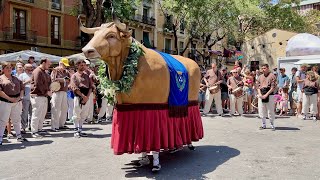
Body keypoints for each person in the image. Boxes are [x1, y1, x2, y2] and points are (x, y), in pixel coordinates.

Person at [0, 62, 27, 145]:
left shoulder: (16, 78)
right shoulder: (1, 78)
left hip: (17, 101)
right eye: (7, 67)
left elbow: (22, 88)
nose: (9, 69)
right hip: (5, 101)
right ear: (3, 69)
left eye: (10, 67)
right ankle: (0, 137)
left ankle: (19, 136)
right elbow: (0, 91)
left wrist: (20, 97)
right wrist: (10, 99)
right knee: (3, 120)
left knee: (16, 119)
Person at [70, 59, 93, 138]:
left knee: (84, 114)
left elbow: (91, 87)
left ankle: (80, 129)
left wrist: (87, 97)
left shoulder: (87, 76)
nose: (83, 67)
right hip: (78, 96)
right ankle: (76, 130)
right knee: (77, 113)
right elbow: (74, 87)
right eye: (81, 65)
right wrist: (83, 96)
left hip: (87, 96)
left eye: (84, 65)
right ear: (77, 66)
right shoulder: (74, 76)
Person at [30, 57, 52, 138]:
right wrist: (47, 92)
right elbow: (38, 84)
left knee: (42, 114)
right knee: (36, 114)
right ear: (43, 63)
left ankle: (39, 129)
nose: (49, 65)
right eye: (48, 63)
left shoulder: (44, 72)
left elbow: (48, 83)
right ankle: (34, 131)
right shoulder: (37, 71)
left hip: (43, 96)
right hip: (37, 96)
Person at [50, 58, 70, 131]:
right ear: (60, 63)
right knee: (56, 109)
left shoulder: (66, 71)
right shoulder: (55, 70)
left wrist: (61, 79)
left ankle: (61, 124)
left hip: (64, 91)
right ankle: (54, 126)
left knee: (64, 109)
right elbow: (53, 79)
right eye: (64, 65)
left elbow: (68, 80)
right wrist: (63, 79)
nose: (65, 67)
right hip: (56, 91)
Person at [256, 64, 276, 131]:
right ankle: (263, 124)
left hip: (269, 94)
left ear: (268, 68)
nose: (263, 70)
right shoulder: (260, 77)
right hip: (261, 93)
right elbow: (258, 87)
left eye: (264, 68)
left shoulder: (272, 76)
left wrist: (266, 95)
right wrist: (260, 94)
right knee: (261, 110)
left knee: (270, 110)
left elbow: (273, 87)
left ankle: (272, 125)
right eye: (262, 68)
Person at [18, 64, 33, 133]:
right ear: (25, 68)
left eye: (31, 68)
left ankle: (31, 126)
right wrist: (27, 82)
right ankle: (23, 127)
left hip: (33, 96)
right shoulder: (22, 75)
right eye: (29, 68)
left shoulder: (33, 74)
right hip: (25, 97)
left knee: (32, 113)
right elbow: (19, 85)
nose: (31, 69)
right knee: (24, 113)